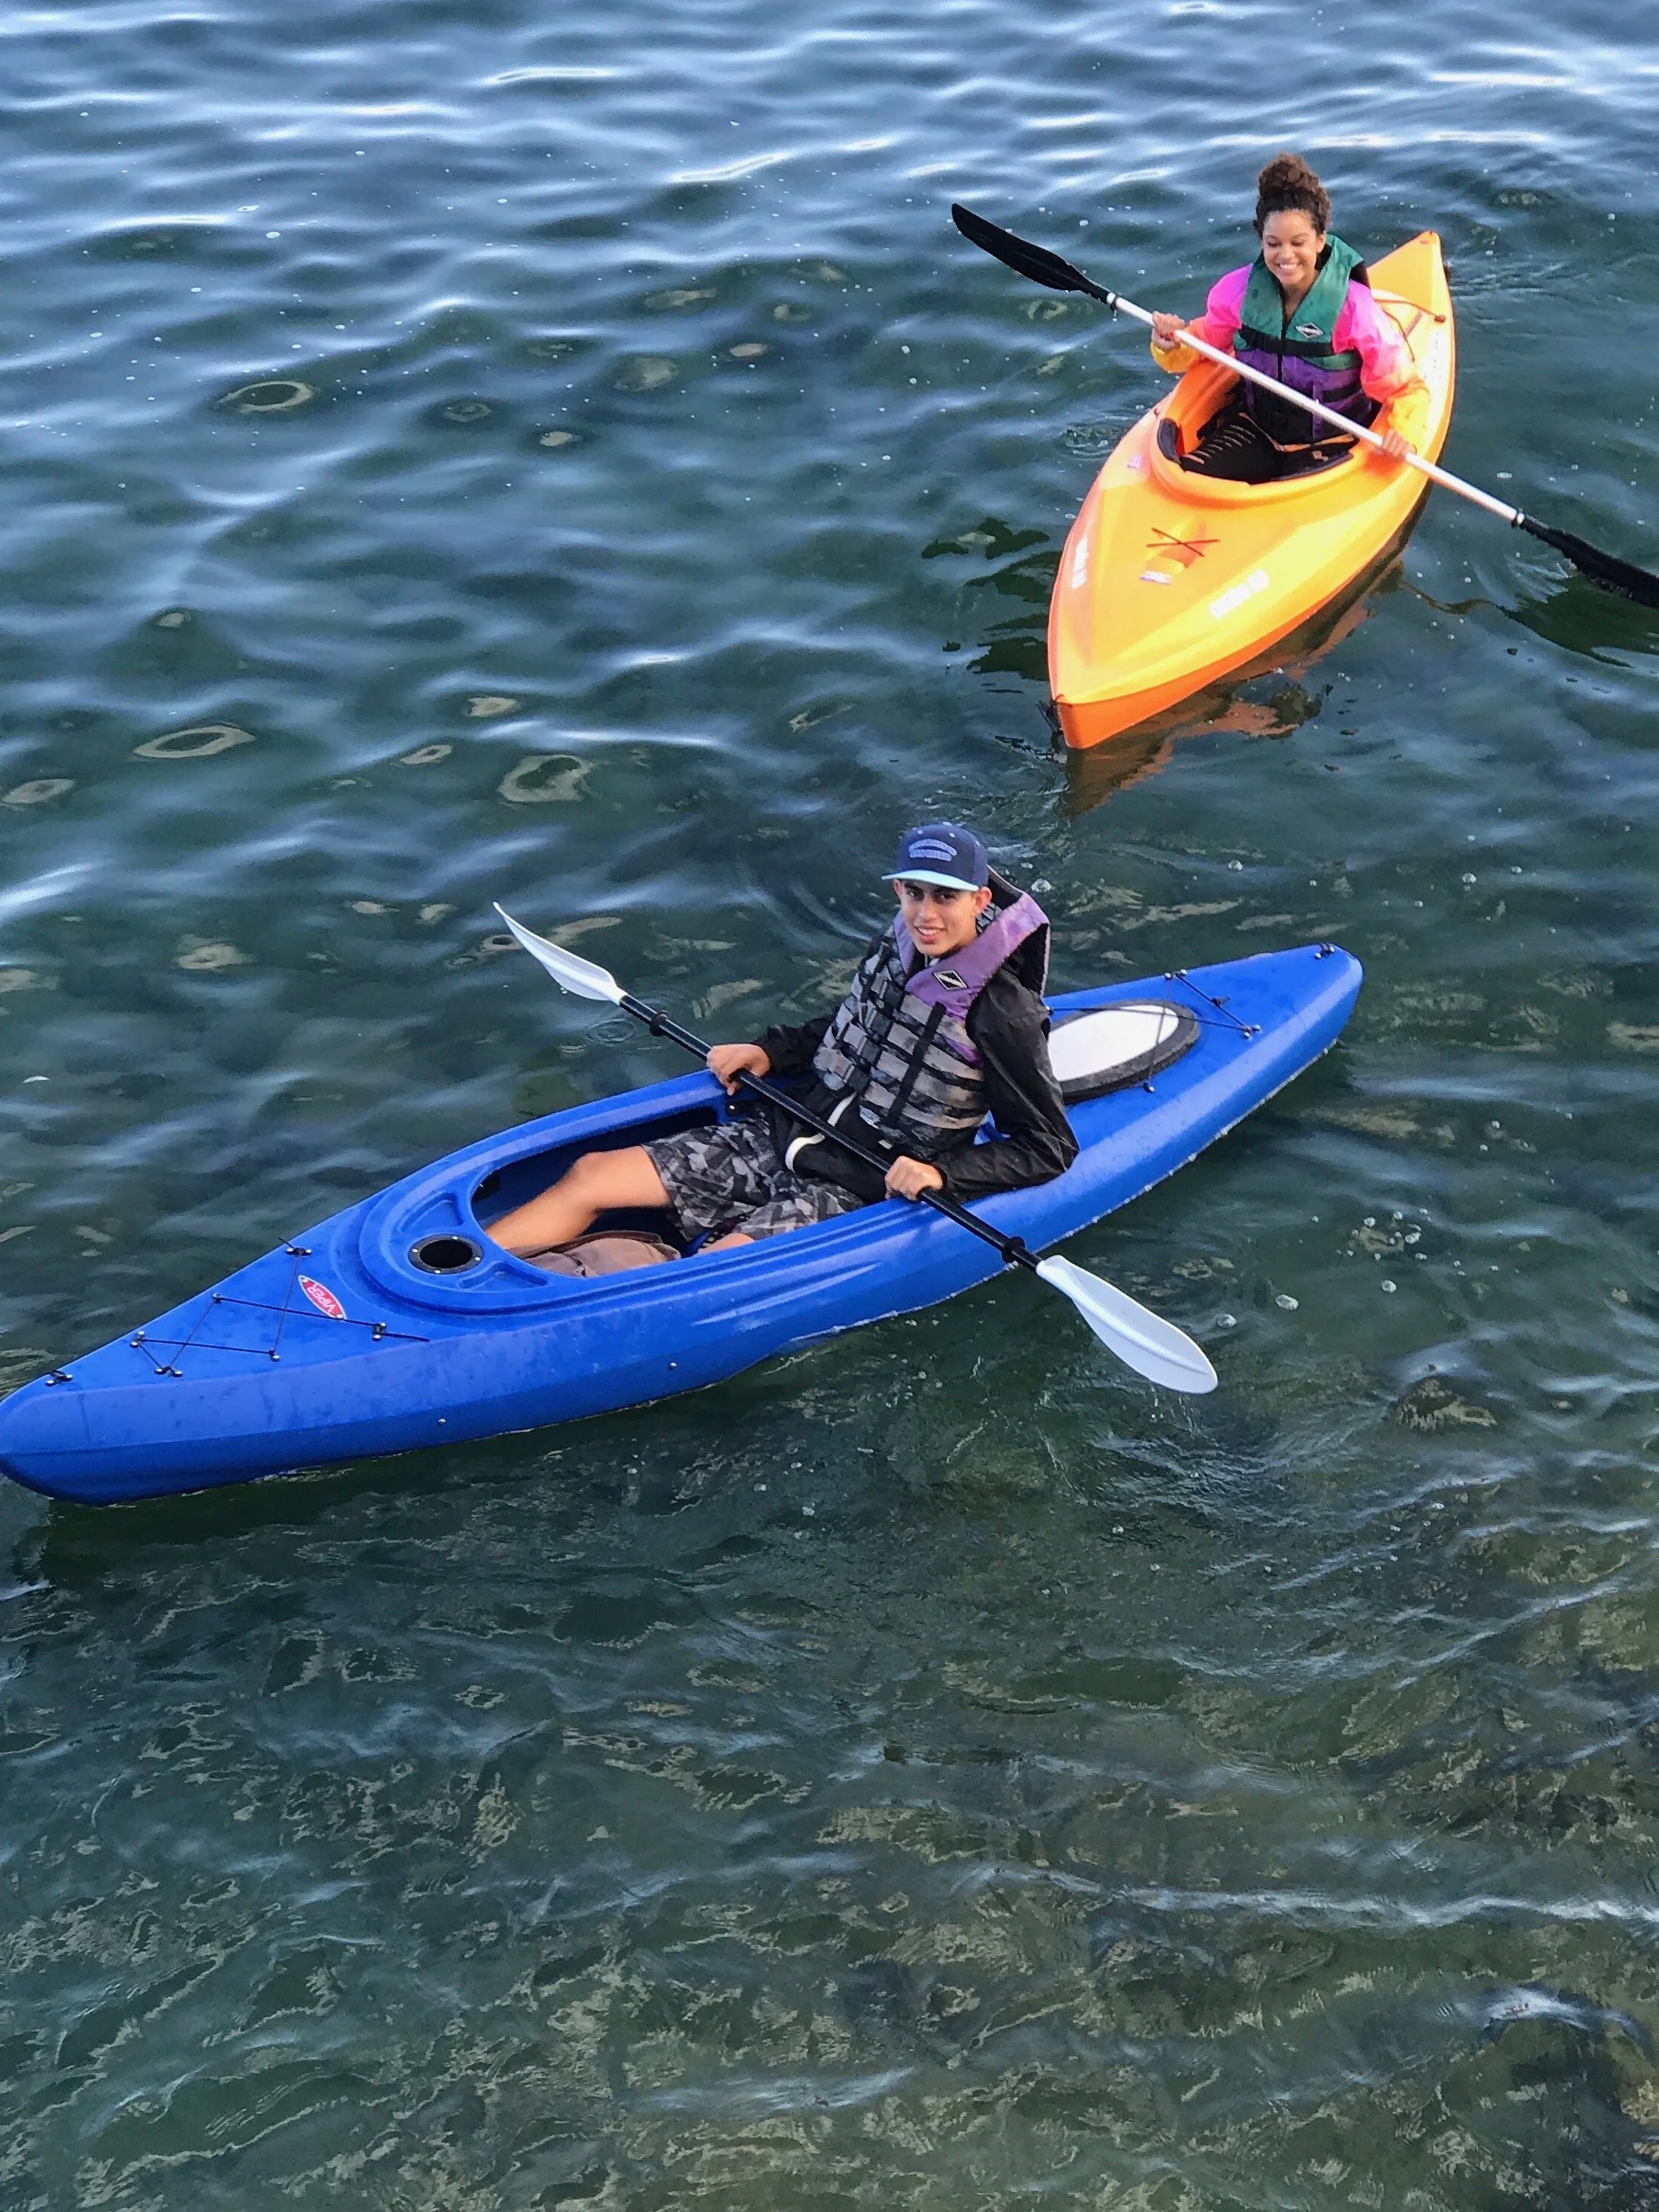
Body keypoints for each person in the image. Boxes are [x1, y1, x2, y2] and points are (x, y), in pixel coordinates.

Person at [486, 823, 1078, 1260]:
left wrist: (943, 1177)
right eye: (913, 892)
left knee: (716, 1267)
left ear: (979, 901)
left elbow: (1049, 1147)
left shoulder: (1004, 1013)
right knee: (591, 1174)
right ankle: (462, 1270)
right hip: (783, 1128)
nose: (925, 913)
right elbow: (859, 1028)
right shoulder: (904, 947)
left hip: (855, 1187)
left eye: (945, 897)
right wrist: (770, 1050)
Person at [1148, 152, 1430, 484]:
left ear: (1320, 241)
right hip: (1256, 429)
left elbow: (1408, 389)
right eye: (1273, 244)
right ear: (1261, 242)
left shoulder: (1354, 310)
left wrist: (1405, 431)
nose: (1285, 256)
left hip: (1332, 443)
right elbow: (1202, 344)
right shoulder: (1237, 292)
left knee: (1288, 497)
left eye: (1299, 243)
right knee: (1192, 479)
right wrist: (1170, 342)